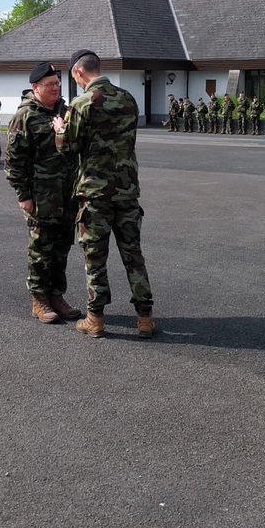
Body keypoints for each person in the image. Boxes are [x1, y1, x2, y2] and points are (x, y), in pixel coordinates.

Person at [53, 49, 155, 339]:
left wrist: (60, 129)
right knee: (133, 255)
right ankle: (145, 318)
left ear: (78, 72)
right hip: (126, 191)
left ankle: (95, 319)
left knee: (95, 258)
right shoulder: (128, 99)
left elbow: (68, 148)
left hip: (95, 195)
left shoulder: (82, 102)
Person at [6, 67, 82, 325]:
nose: (56, 87)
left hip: (67, 196)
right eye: (50, 84)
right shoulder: (24, 116)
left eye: (57, 83)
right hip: (40, 196)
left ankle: (57, 296)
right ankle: (39, 300)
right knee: (40, 250)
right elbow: (14, 162)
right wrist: (23, 195)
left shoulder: (66, 111)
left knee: (61, 248)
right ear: (36, 87)